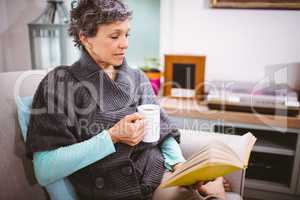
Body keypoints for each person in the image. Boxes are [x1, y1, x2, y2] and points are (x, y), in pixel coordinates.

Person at [26, 0, 228, 199]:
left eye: (126, 34)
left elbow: (163, 132)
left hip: (154, 175)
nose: (125, 44)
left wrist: (180, 166)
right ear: (85, 38)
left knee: (193, 193)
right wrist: (111, 136)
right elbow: (45, 170)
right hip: (108, 191)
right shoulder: (58, 83)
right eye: (115, 36)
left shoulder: (137, 77)